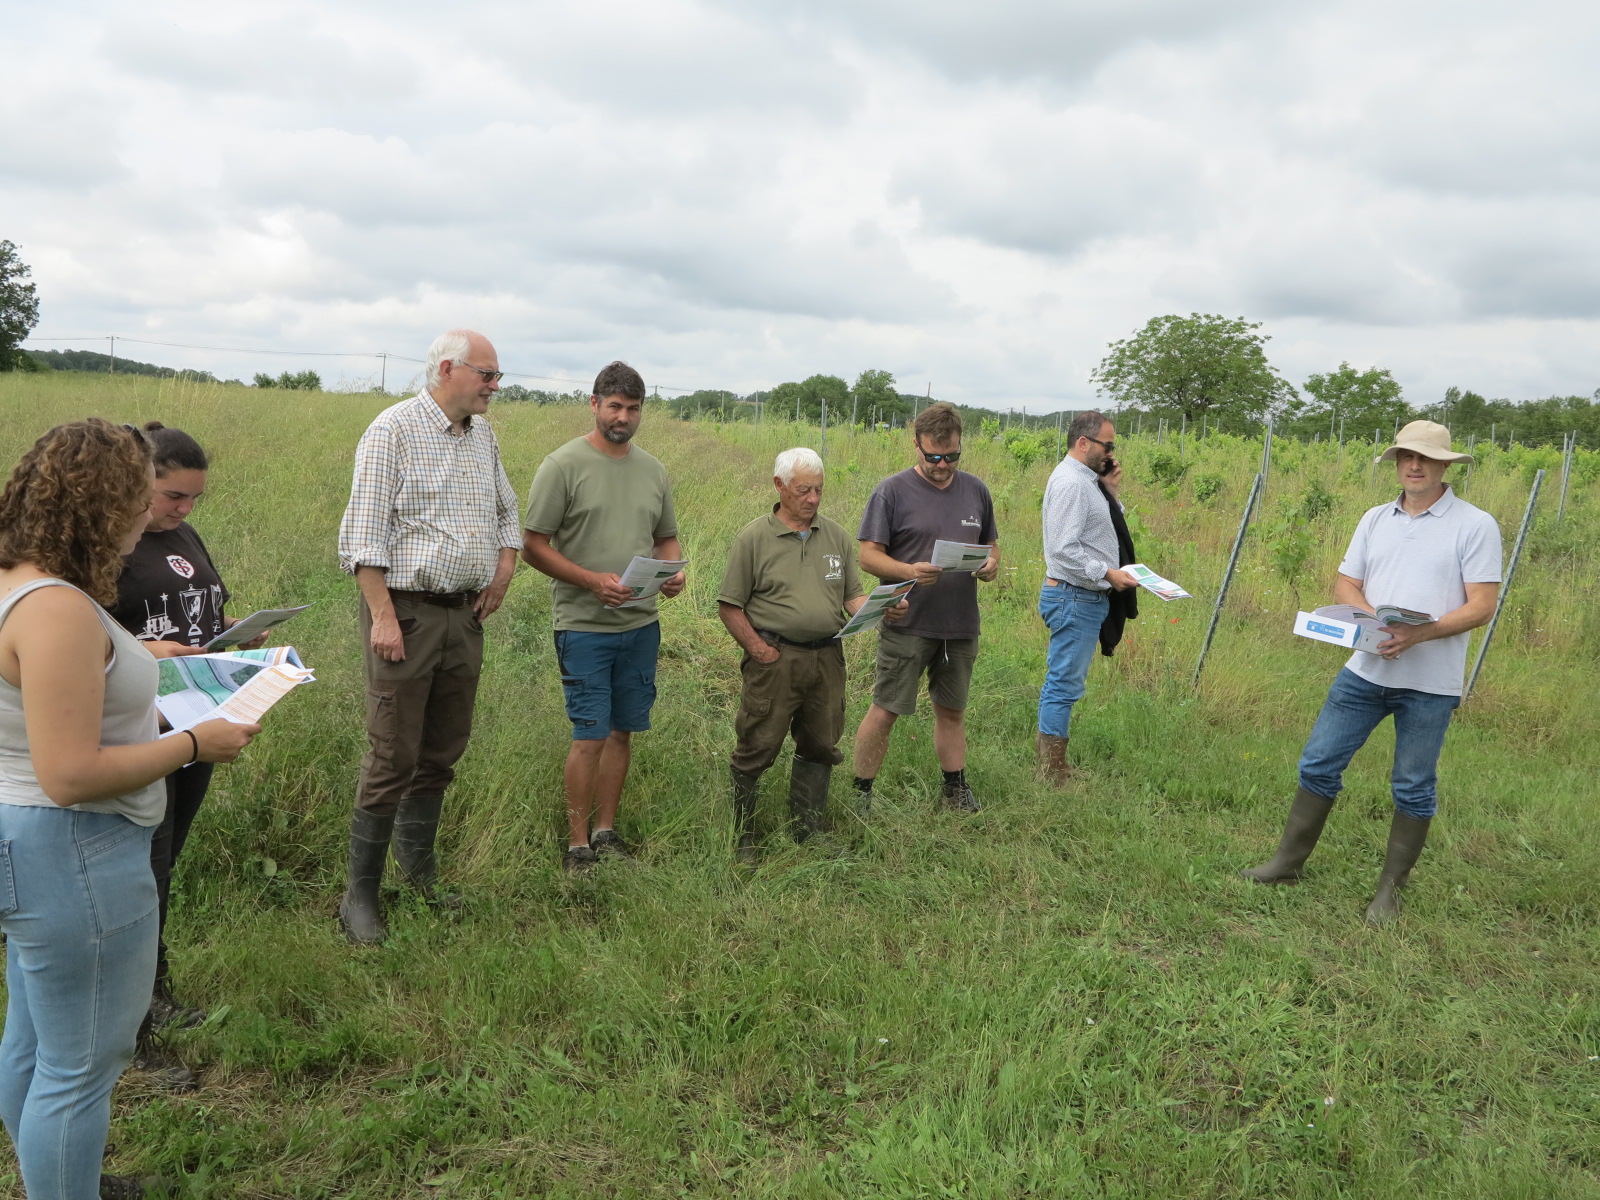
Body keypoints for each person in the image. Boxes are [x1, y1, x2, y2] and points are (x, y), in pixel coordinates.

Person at [0, 419, 256, 1200]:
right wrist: (192, 744)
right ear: (101, 503)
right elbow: (73, 771)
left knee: (34, 1039)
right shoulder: (57, 609)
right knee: (81, 1070)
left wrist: (148, 660)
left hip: (26, 835)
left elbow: (64, 706)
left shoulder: (23, 583)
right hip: (74, 849)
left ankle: (50, 1174)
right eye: (135, 499)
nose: (146, 517)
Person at [1241, 420, 1502, 925]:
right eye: (1406, 456)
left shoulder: (1475, 525)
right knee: (1318, 763)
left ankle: (1389, 892)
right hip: (1364, 672)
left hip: (1429, 684)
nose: (1414, 465)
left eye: (1425, 457)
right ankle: (1287, 864)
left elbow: (1482, 606)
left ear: (1447, 465)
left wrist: (1417, 635)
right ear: (1397, 462)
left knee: (1412, 785)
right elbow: (1346, 581)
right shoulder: (1376, 519)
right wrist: (1368, 622)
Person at [336, 330, 522, 944]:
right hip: (405, 614)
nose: (496, 386)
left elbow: (506, 513)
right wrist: (383, 617)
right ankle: (358, 897)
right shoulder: (392, 432)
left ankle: (418, 877)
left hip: (463, 618)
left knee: (442, 751)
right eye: (487, 375)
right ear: (449, 368)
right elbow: (363, 536)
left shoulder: (483, 436)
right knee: (393, 753)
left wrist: (502, 569)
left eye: (496, 376)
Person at [107, 424, 267, 1055]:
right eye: (172, 496)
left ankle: (154, 992)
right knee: (138, 872)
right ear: (138, 481)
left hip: (196, 717)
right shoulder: (105, 547)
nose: (181, 511)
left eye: (193, 499)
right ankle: (131, 1031)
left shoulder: (179, 534)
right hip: (136, 724)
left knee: (162, 866)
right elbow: (91, 639)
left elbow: (197, 605)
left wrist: (231, 630)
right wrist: (149, 651)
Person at [522, 361, 683, 872]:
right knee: (589, 733)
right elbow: (532, 546)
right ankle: (577, 846)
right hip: (583, 626)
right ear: (594, 404)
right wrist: (592, 581)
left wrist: (673, 572)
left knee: (622, 731)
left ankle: (606, 830)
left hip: (640, 625)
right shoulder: (562, 465)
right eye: (614, 406)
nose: (623, 417)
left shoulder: (653, 470)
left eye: (633, 409)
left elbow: (665, 537)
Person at [719, 448, 889, 863]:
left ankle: (807, 830)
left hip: (827, 659)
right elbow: (729, 605)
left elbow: (851, 595)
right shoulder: (753, 537)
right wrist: (758, 649)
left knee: (820, 744)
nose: (813, 499)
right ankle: (745, 836)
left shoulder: (834, 536)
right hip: (775, 660)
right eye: (803, 490)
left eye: (818, 490)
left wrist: (880, 607)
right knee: (757, 744)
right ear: (779, 487)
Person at [850, 403, 998, 813]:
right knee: (886, 709)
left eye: (951, 456)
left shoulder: (976, 490)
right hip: (908, 622)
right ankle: (860, 793)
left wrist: (990, 565)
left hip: (960, 623)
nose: (942, 464)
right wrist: (906, 569)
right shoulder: (891, 491)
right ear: (915, 444)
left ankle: (955, 791)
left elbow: (991, 546)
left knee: (952, 711)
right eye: (933, 456)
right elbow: (867, 556)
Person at [1036, 411, 1138, 783]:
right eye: (1107, 445)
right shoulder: (1072, 484)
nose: (1111, 452)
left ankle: (1055, 766)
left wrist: (1110, 492)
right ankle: (1051, 772)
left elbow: (1100, 528)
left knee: (1067, 682)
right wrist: (1107, 573)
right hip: (1073, 596)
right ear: (1083, 443)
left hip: (1082, 597)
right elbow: (1062, 549)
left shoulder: (1088, 482)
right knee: (1063, 684)